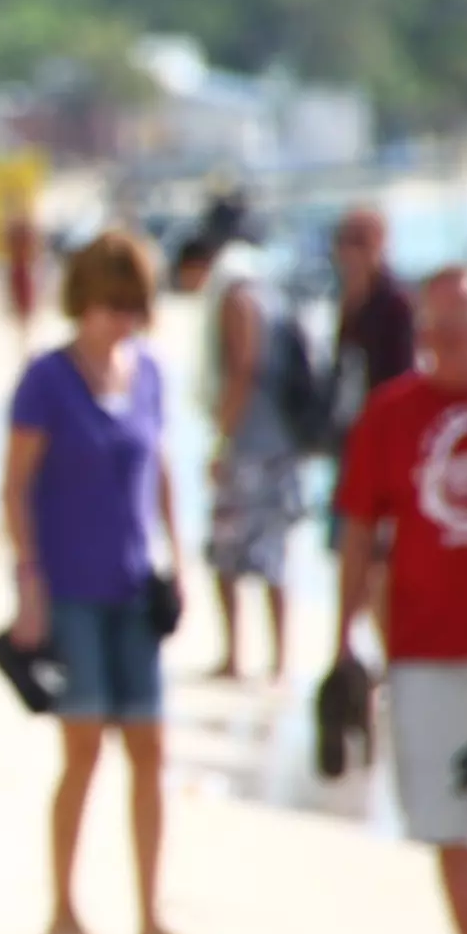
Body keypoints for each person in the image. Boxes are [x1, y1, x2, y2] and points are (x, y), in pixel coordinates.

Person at [334, 267, 467, 934]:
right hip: (423, 653)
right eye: (427, 330)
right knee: (448, 826)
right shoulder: (387, 415)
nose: (437, 345)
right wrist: (343, 636)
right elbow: (358, 531)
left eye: (453, 328)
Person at [2, 229, 191, 934]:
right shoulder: (45, 379)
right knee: (82, 751)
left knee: (150, 749)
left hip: (135, 588)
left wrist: (179, 559)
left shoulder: (150, 374)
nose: (124, 319)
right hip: (69, 590)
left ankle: (149, 916)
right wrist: (28, 583)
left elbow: (161, 469)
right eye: (113, 304)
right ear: (83, 299)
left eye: (135, 306)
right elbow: (15, 487)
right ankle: (64, 910)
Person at [175, 226, 303, 685]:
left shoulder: (234, 294)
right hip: (279, 443)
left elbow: (244, 366)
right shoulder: (264, 284)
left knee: (229, 554)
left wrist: (221, 441)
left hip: (252, 445)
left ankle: (239, 656)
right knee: (271, 554)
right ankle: (277, 660)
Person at [327, 206, 415, 655]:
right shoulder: (350, 300)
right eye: (345, 241)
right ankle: (354, 650)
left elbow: (401, 378)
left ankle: (388, 653)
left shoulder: (394, 303)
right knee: (351, 553)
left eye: (360, 241)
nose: (350, 252)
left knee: (378, 561)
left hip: (384, 444)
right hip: (350, 443)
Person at [3, 200, 41, 354]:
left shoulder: (24, 229)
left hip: (25, 268)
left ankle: (26, 340)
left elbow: (35, 246)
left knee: (26, 307)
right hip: (17, 268)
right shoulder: (14, 229)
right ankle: (23, 340)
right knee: (19, 306)